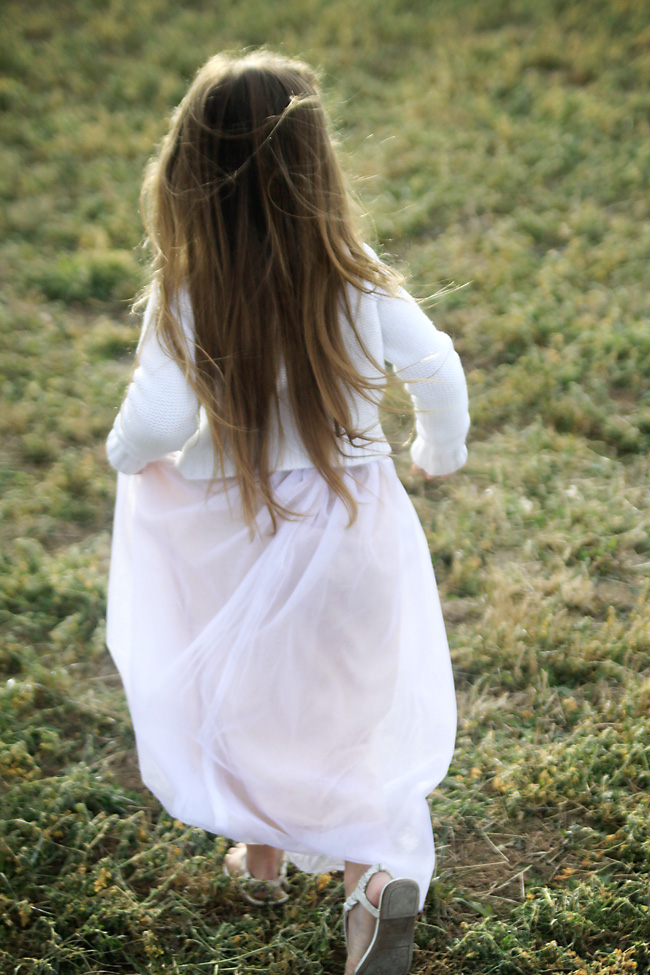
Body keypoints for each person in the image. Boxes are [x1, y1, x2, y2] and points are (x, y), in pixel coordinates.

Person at [105, 50, 469, 975]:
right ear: (321, 167)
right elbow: (437, 365)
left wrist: (127, 460)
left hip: (240, 532)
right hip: (354, 529)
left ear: (189, 169)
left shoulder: (190, 292)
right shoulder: (359, 277)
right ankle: (370, 889)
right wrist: (438, 449)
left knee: (246, 698)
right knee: (349, 708)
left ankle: (262, 857)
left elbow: (154, 420)